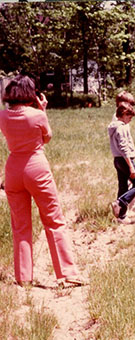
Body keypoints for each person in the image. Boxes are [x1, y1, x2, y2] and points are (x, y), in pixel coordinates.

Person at [0, 75, 85, 286]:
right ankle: (67, 273)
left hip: (13, 169)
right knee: (54, 220)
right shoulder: (37, 116)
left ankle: (23, 278)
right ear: (30, 93)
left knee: (20, 225)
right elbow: (47, 138)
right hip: (36, 167)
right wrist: (42, 110)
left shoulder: (2, 116)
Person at [108, 102, 135, 224]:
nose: (130, 120)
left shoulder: (113, 126)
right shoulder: (121, 127)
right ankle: (119, 203)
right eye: (129, 117)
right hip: (124, 160)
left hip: (117, 159)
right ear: (123, 114)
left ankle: (121, 217)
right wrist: (131, 166)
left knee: (123, 186)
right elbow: (123, 147)